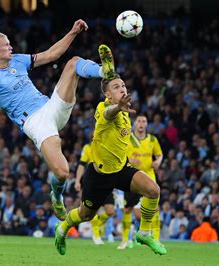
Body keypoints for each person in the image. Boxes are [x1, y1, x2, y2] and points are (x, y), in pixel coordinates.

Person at [0, 19, 116, 220]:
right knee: (63, 172)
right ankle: (56, 194)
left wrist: (73, 32)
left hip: (51, 106)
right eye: (7, 45)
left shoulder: (17, 60)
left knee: (73, 63)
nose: (11, 47)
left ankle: (103, 71)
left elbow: (51, 54)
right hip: (35, 123)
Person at [53, 74, 167, 256]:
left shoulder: (125, 114)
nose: (122, 88)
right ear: (107, 95)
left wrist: (121, 107)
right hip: (99, 175)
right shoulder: (103, 107)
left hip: (121, 169)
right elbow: (108, 113)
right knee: (85, 215)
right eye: (116, 87)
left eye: (123, 85)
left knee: (153, 190)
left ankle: (144, 233)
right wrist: (117, 107)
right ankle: (63, 227)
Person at [117, 114, 163, 249]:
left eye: (144, 121)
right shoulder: (128, 138)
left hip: (149, 177)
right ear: (135, 124)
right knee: (127, 209)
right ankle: (125, 240)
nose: (141, 123)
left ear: (147, 124)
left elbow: (159, 154)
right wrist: (130, 161)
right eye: (139, 121)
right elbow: (119, 154)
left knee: (154, 208)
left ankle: (156, 238)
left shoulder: (152, 139)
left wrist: (158, 162)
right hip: (132, 177)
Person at [75, 141, 115, 245]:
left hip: (107, 182)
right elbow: (81, 164)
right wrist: (77, 180)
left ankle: (97, 225)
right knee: (92, 211)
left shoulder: (109, 146)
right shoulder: (88, 147)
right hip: (92, 183)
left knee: (110, 211)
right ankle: (96, 236)